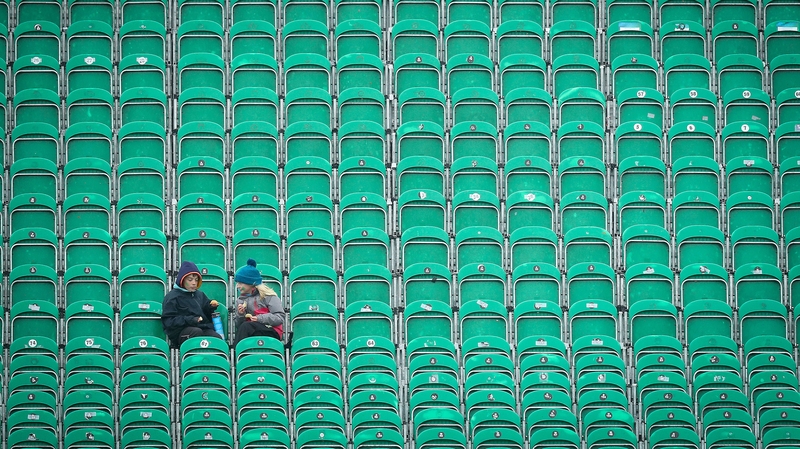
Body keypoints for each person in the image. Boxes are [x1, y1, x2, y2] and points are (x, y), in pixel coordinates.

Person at [161, 260, 223, 346]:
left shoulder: (200, 294)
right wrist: (191, 320)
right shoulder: (172, 297)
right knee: (196, 332)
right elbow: (169, 321)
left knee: (217, 339)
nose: (194, 283)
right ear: (182, 280)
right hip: (181, 331)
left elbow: (205, 311)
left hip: (202, 327)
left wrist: (210, 306)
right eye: (190, 280)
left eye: (196, 280)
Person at [233, 258, 285, 346]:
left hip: (272, 330)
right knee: (245, 326)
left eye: (240, 283)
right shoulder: (240, 300)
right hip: (252, 331)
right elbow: (239, 326)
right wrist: (240, 314)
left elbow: (280, 317)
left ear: (251, 284)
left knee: (246, 326)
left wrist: (259, 318)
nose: (237, 286)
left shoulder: (268, 296)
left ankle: (235, 353)